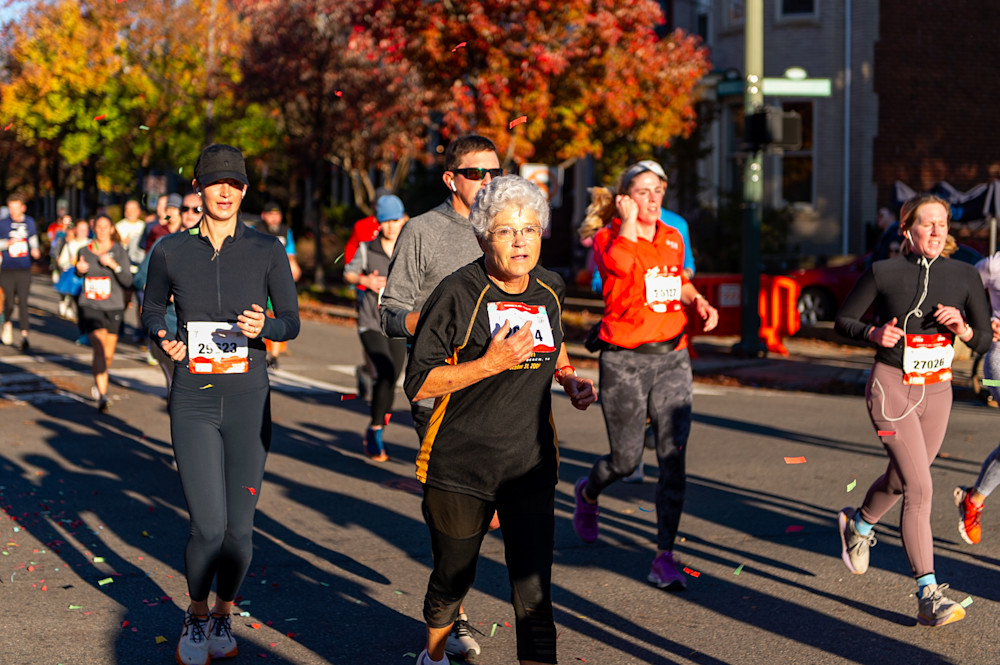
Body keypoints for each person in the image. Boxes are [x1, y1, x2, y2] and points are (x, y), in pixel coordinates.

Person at [406, 175, 596, 665]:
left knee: (534, 589)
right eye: (507, 231)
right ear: (482, 235)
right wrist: (490, 363)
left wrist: (570, 377)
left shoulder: (550, 288)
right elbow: (420, 381)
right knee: (454, 575)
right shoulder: (457, 293)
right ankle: (433, 654)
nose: (520, 242)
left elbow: (553, 345)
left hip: (528, 464)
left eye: (530, 230)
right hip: (459, 465)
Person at [142, 144, 299, 665]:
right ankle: (196, 612)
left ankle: (224, 613)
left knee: (239, 531)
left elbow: (291, 322)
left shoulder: (267, 249)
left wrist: (266, 328)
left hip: (248, 399)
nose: (225, 191)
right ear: (198, 188)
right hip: (193, 399)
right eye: (214, 182)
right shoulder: (169, 250)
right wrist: (166, 337)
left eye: (234, 183)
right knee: (207, 527)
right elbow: (151, 309)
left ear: (246, 189)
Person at [834, 193, 991, 627]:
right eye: (928, 224)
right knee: (922, 488)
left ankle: (860, 526)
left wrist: (963, 328)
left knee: (904, 482)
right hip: (890, 391)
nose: (938, 231)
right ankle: (928, 593)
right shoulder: (884, 272)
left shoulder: (963, 275)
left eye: (943, 224)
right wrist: (872, 332)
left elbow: (981, 341)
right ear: (907, 231)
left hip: (937, 393)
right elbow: (843, 320)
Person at [379, 134, 501, 661]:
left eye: (495, 172)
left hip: (499, 391)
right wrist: (435, 327)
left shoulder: (505, 227)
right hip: (441, 392)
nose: (488, 182)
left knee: (486, 513)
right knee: (454, 513)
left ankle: (450, 604)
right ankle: (454, 616)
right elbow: (390, 311)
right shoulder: (422, 231)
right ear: (451, 178)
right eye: (476, 173)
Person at [571, 159, 719, 590]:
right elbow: (623, 267)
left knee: (673, 458)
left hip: (672, 356)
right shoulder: (607, 238)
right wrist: (630, 223)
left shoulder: (672, 236)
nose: (653, 199)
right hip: (625, 360)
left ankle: (664, 556)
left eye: (658, 190)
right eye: (642, 192)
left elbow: (674, 279)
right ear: (624, 199)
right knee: (626, 459)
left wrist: (698, 300)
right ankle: (588, 492)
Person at [343, 194, 409, 461]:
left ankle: (376, 424)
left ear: (403, 219)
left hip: (398, 322)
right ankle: (376, 430)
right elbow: (347, 272)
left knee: (392, 376)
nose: (391, 226)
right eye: (386, 221)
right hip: (371, 320)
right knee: (384, 370)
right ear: (378, 223)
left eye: (395, 220)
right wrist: (364, 280)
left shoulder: (409, 248)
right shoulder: (367, 248)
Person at [134, 192, 204, 398]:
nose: (190, 214)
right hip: (171, 328)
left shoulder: (216, 246)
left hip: (206, 331)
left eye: (197, 209)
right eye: (185, 209)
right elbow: (139, 278)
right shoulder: (165, 244)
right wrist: (162, 290)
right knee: (179, 392)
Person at [952, 250, 1000, 545]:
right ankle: (973, 501)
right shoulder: (995, 265)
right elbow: (960, 288)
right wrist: (981, 325)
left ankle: (973, 499)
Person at [74, 215, 132, 412]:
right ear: (94, 228)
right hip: (90, 306)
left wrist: (113, 265)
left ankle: (99, 378)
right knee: (99, 347)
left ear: (111, 229)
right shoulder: (84, 250)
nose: (101, 230)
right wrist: (79, 269)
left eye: (105, 227)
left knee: (107, 355)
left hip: (114, 306)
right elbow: (78, 272)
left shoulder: (118, 250)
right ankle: (103, 396)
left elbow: (127, 280)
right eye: (98, 227)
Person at [254, 201, 301, 369]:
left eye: (277, 215)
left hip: (275, 278)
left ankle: (273, 355)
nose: (274, 219)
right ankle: (258, 348)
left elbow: (291, 252)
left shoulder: (285, 231)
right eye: (271, 215)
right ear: (264, 216)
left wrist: (294, 267)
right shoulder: (255, 230)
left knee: (276, 315)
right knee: (259, 313)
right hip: (259, 278)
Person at [0, 192, 42, 351]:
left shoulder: (29, 222)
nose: (13, 211)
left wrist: (36, 251)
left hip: (24, 268)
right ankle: (8, 323)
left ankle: (24, 335)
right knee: (9, 302)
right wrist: (7, 243)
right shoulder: (3, 224)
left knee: (23, 302)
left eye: (16, 208)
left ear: (23, 208)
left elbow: (33, 240)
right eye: (11, 208)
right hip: (7, 268)